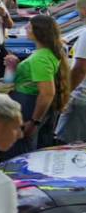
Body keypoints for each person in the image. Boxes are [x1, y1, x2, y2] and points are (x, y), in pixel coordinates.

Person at [9, 13, 70, 155]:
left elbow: (47, 93)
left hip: (29, 106)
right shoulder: (47, 53)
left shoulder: (40, 58)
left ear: (38, 32)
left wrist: (33, 122)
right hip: (36, 106)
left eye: (29, 26)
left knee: (22, 152)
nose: (25, 27)